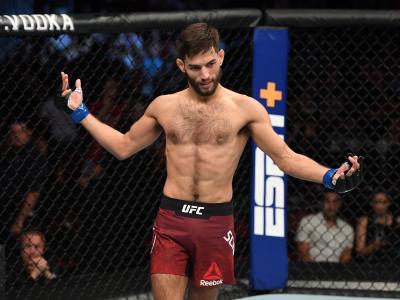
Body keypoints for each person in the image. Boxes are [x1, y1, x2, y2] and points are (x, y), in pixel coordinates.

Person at [59, 23, 362, 300]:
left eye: (210, 64)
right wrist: (80, 112)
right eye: (195, 67)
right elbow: (124, 147)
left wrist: (330, 175)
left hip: (215, 222)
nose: (205, 74)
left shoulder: (246, 109)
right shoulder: (164, 107)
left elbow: (285, 158)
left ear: (221, 57)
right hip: (172, 220)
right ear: (181, 66)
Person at [295, 191, 354, 264]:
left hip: (337, 271)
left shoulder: (347, 228)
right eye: (327, 201)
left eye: (335, 201)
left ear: (340, 204)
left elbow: (346, 255)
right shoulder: (308, 221)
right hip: (312, 267)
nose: (331, 205)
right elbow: (303, 253)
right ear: (321, 202)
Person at [355, 192, 400, 264]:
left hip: (394, 262)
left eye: (384, 202)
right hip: (371, 264)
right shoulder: (365, 221)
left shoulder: (397, 221)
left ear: (389, 203)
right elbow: (360, 251)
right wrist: (374, 245)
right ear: (372, 203)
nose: (380, 206)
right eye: (376, 202)